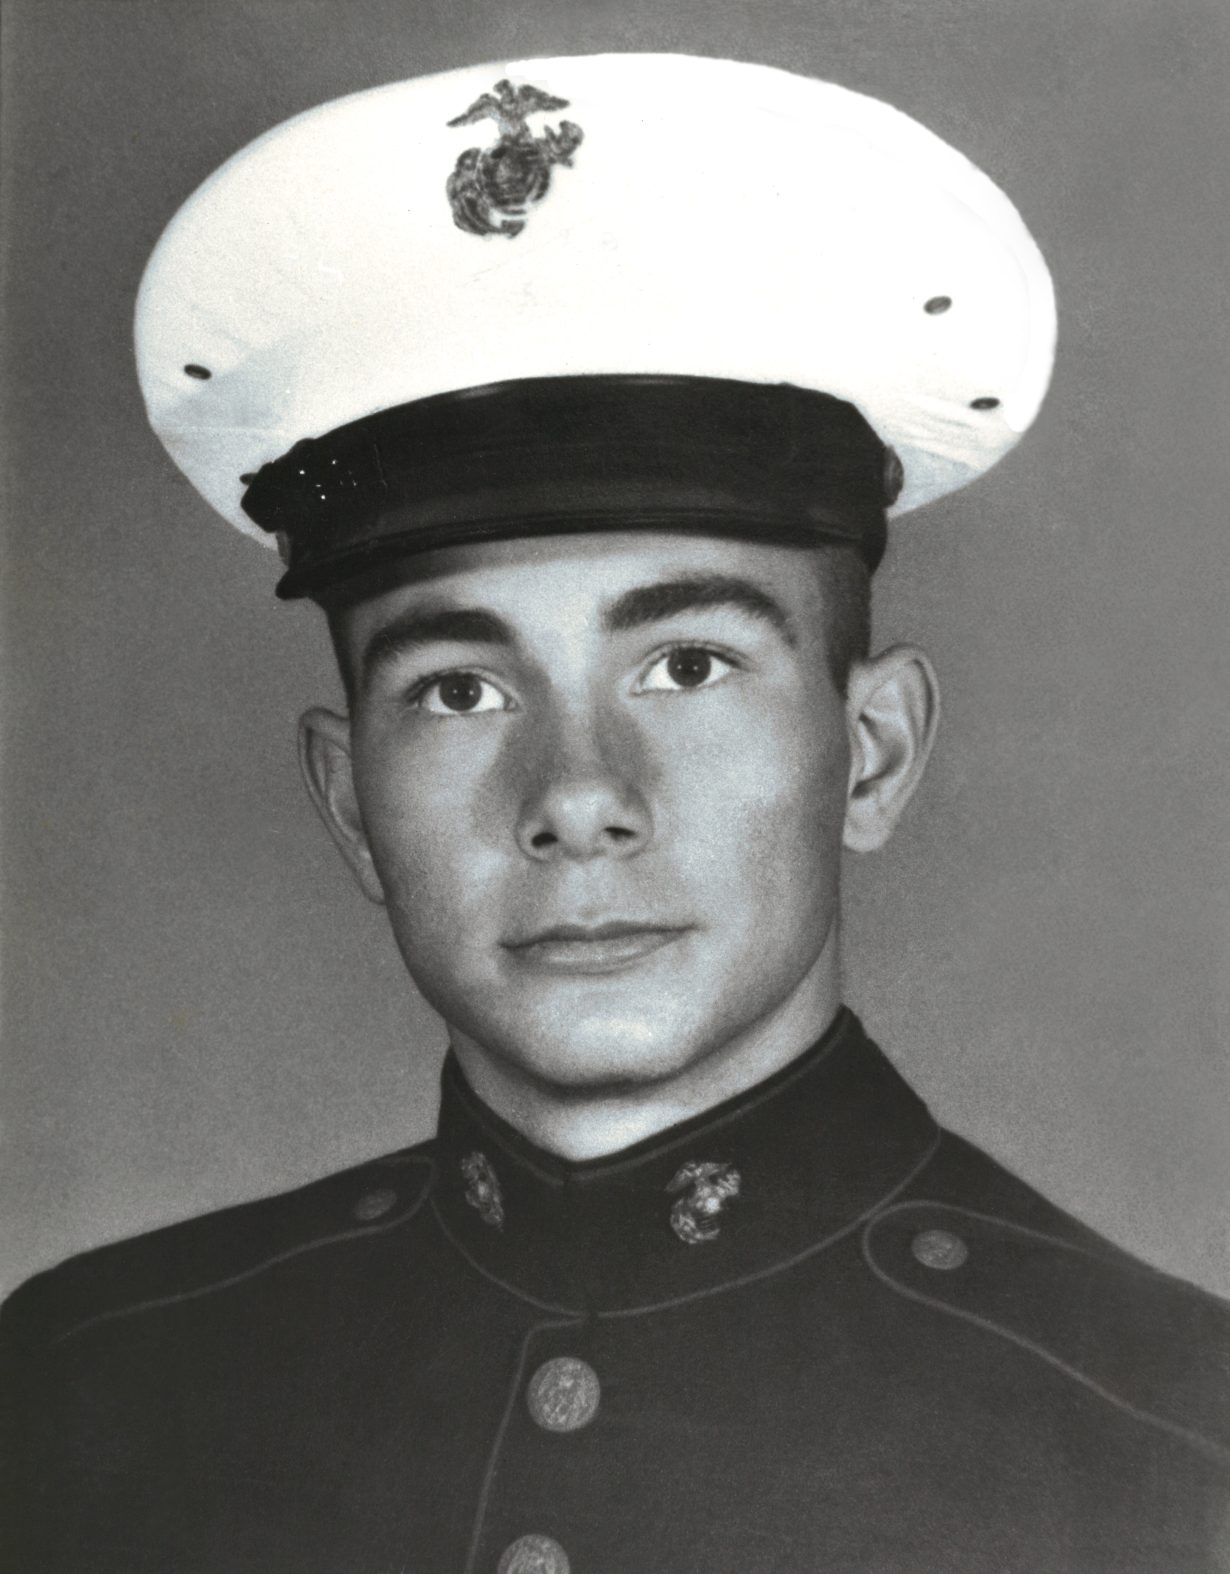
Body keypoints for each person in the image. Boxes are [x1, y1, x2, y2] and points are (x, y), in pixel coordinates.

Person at [3, 52, 1227, 1574]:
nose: (577, 799)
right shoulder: (82, 1395)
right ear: (349, 801)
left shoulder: (1172, 1448)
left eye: (686, 665)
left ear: (869, 753)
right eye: (460, 689)